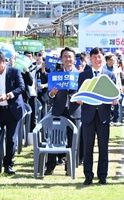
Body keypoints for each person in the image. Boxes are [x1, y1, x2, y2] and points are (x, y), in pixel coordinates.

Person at [78, 47, 117, 185]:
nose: (97, 59)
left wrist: (115, 100)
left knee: (103, 148)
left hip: (103, 116)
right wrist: (79, 99)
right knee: (88, 147)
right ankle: (88, 176)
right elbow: (79, 94)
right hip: (88, 115)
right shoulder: (84, 75)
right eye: (94, 57)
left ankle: (102, 176)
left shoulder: (109, 75)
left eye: (99, 57)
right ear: (90, 59)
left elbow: (114, 94)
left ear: (103, 58)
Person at [45, 47, 81, 175]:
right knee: (54, 139)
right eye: (65, 56)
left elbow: (84, 92)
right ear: (61, 59)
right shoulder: (56, 74)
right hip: (58, 110)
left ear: (74, 59)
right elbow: (48, 96)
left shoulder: (80, 75)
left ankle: (70, 168)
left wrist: (80, 98)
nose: (67, 59)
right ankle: (50, 166)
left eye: (70, 56)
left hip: (74, 110)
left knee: (73, 140)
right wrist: (52, 93)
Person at [0, 51, 25, 175]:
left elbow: (21, 87)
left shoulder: (14, 72)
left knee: (11, 139)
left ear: (2, 62)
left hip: (13, 110)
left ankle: (8, 164)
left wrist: (9, 95)